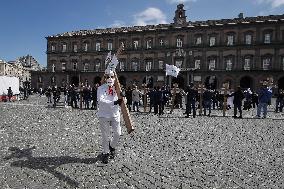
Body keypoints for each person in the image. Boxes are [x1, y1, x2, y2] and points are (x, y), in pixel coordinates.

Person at [97, 70, 122, 164]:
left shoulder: (118, 88)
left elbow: (124, 102)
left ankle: (112, 146)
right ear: (105, 78)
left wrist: (124, 97)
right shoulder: (101, 88)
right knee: (105, 136)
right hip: (104, 115)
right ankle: (106, 152)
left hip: (115, 114)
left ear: (115, 78)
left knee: (118, 133)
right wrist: (114, 102)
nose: (110, 79)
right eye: (108, 77)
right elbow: (101, 101)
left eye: (112, 77)